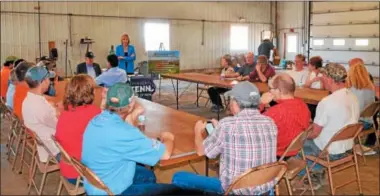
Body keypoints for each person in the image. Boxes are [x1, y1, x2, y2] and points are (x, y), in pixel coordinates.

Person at [172, 81, 278, 195]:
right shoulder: (270, 122)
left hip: (234, 190)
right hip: (265, 190)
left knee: (178, 177)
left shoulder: (227, 125)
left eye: (231, 100)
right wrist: (218, 129)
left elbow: (201, 152)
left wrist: (197, 131)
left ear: (236, 103)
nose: (230, 103)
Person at [81, 83, 179, 195]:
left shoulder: (96, 120)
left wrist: (132, 116)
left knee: (148, 175)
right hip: (111, 190)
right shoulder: (124, 133)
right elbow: (165, 154)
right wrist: (168, 138)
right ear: (131, 104)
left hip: (95, 182)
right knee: (173, 190)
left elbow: (124, 134)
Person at [302, 63, 359, 187]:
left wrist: (300, 135)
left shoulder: (327, 102)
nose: (322, 79)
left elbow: (315, 134)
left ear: (330, 79)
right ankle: (318, 172)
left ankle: (314, 174)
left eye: (323, 77)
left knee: (294, 145)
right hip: (347, 147)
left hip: (330, 151)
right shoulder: (353, 97)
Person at [55, 74, 102, 185]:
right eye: (94, 89)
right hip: (83, 174)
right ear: (90, 92)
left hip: (68, 169)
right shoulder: (93, 112)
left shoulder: (66, 112)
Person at [260, 73, 310, 159]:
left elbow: (251, 126)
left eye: (270, 89)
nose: (269, 91)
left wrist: (260, 104)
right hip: (295, 151)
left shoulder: (275, 112)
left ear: (278, 91)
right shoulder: (303, 105)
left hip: (276, 156)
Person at [22, 66, 61, 163]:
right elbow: (59, 125)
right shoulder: (40, 107)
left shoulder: (29, 100)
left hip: (44, 140)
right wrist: (58, 110)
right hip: (55, 149)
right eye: (48, 78)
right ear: (42, 82)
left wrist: (53, 108)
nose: (49, 81)